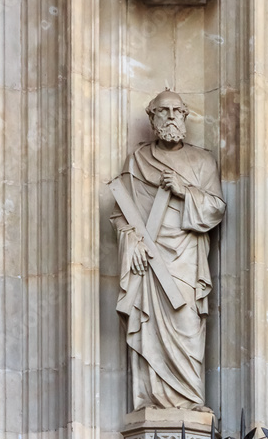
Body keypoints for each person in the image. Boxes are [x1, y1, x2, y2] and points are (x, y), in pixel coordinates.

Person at [110, 90, 225, 411]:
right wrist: (130, 240)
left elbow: (216, 208)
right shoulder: (137, 160)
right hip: (148, 259)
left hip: (186, 258)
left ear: (185, 117)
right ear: (152, 118)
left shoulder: (201, 161)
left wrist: (184, 190)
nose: (171, 116)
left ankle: (189, 399)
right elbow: (122, 212)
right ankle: (151, 400)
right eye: (163, 111)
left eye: (177, 110)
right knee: (150, 327)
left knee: (186, 324)